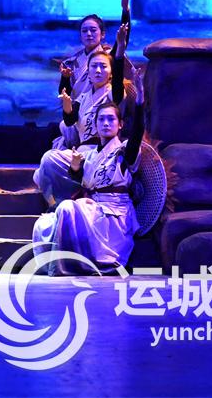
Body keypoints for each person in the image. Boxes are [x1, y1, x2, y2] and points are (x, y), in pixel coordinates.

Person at [32, 68, 146, 274]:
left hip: (112, 218)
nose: (106, 123)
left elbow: (138, 132)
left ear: (120, 125)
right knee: (44, 224)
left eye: (111, 119)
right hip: (93, 209)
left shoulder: (123, 151)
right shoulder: (91, 155)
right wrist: (76, 167)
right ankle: (61, 262)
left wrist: (140, 101)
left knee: (67, 208)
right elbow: (83, 180)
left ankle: (67, 266)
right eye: (101, 119)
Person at [34, 22, 136, 208]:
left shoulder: (113, 93)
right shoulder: (83, 96)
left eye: (103, 67)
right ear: (88, 72)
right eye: (94, 67)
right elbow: (70, 120)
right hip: (82, 152)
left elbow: (118, 68)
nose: (98, 71)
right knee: (45, 166)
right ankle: (63, 202)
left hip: (103, 153)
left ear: (111, 72)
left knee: (49, 160)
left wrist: (120, 47)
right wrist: (67, 105)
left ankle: (70, 200)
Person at [58, 0, 133, 100]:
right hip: (79, 109)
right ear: (80, 35)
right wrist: (65, 77)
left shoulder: (108, 56)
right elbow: (64, 95)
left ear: (102, 34)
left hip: (104, 107)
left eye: (93, 30)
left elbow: (122, 40)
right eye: (84, 31)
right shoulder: (70, 63)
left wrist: (125, 11)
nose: (88, 34)